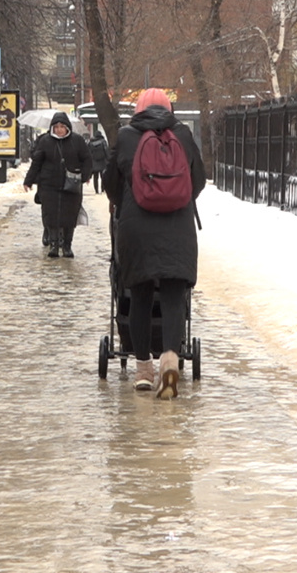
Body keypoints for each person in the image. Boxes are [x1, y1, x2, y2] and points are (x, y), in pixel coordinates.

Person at [104, 88, 206, 398]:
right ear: (169, 108)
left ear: (137, 110)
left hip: (137, 230)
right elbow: (198, 180)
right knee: (175, 295)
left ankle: (143, 369)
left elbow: (110, 184)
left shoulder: (125, 137)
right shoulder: (183, 136)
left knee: (141, 296)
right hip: (178, 229)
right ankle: (171, 360)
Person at [23, 111, 92, 258]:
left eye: (62, 126)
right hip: (49, 185)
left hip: (71, 185)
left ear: (67, 127)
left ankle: (67, 246)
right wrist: (28, 180)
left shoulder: (77, 141)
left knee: (69, 216)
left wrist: (85, 175)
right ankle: (53, 245)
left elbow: (86, 159)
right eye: (57, 126)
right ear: (52, 128)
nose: (59, 129)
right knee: (51, 215)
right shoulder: (45, 141)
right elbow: (37, 162)